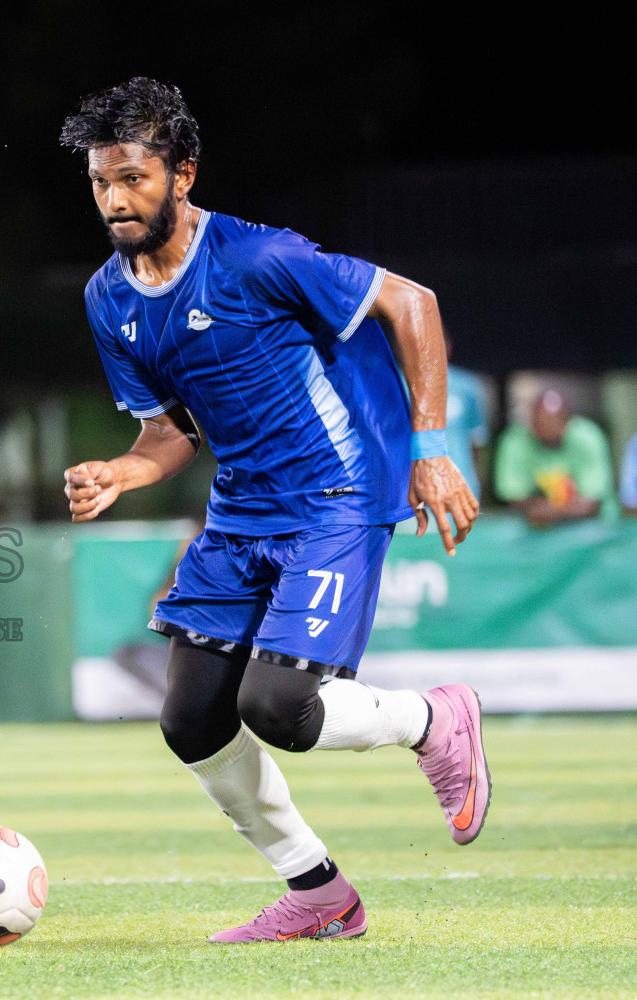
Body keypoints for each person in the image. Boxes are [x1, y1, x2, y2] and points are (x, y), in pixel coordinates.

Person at [60, 78, 485, 944]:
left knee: (280, 708)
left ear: (182, 174)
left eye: (133, 178)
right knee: (190, 720)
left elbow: (412, 304)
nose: (114, 200)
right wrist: (121, 473)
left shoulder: (258, 258)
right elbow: (168, 434)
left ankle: (436, 720)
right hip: (241, 512)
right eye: (101, 181)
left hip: (336, 495)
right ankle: (319, 893)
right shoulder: (109, 300)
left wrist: (432, 449)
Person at [494, 388, 614, 527]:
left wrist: (550, 511)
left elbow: (592, 503)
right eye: (541, 424)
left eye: (555, 424)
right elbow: (514, 497)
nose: (548, 429)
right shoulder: (515, 442)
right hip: (535, 530)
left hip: (591, 527)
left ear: (567, 422)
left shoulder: (588, 438)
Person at [444, 338, 491, 500]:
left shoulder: (467, 385)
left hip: (460, 486)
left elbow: (478, 440)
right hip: (411, 490)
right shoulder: (397, 383)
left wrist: (473, 481)